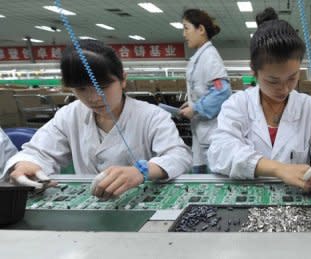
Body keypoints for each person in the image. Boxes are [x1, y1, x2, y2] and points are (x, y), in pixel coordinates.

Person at [2, 40, 192, 199]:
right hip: (88, 201)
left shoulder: (151, 115)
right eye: (82, 89)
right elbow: (39, 152)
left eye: (103, 86)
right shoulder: (69, 115)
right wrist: (25, 164)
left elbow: (178, 156)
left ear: (123, 79)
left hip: (140, 198)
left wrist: (141, 171)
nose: (93, 98)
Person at [207, 8, 311, 192]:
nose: (285, 89)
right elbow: (220, 152)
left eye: (292, 78)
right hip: (248, 197)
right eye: (273, 81)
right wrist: (278, 169)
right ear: (254, 71)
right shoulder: (237, 104)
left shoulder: (310, 107)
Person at [179, 9, 231, 174]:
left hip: (211, 131)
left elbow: (221, 92)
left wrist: (195, 108)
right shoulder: (200, 57)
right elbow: (205, 89)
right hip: (202, 131)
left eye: (186, 28)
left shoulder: (210, 56)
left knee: (212, 179)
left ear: (200, 29)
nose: (184, 34)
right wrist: (192, 103)